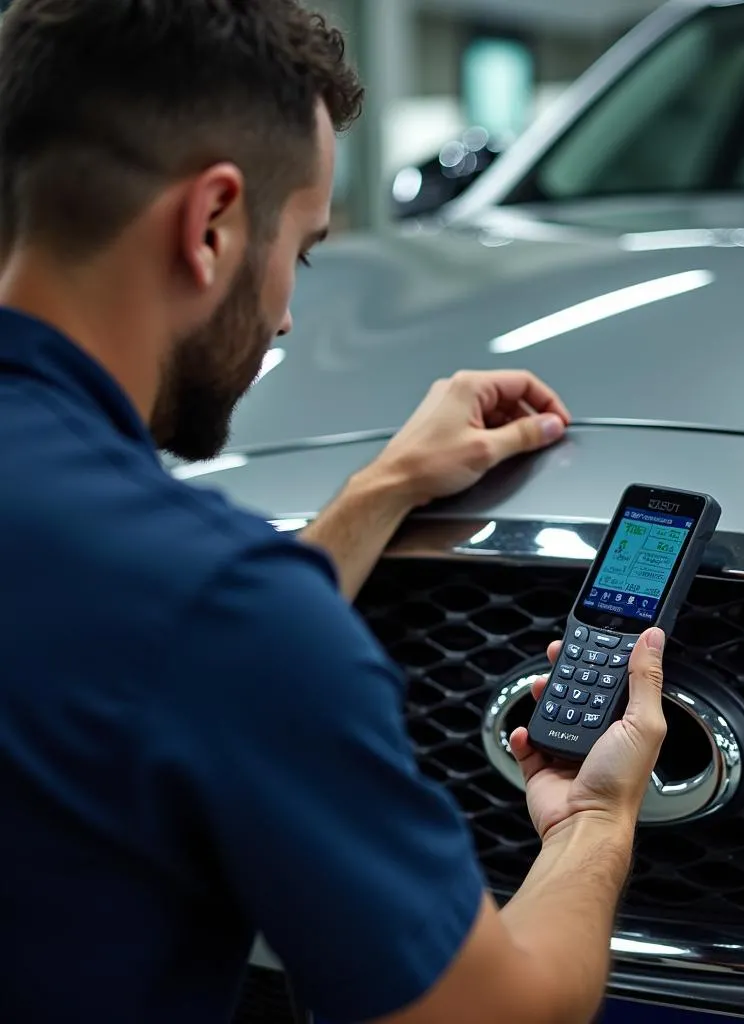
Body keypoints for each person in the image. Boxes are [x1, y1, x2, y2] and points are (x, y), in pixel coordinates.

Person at [0, 2, 668, 1023]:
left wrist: (381, 490)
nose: (285, 313)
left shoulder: (171, 596)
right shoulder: (221, 608)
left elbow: (133, 643)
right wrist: (595, 814)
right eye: (302, 249)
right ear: (211, 224)